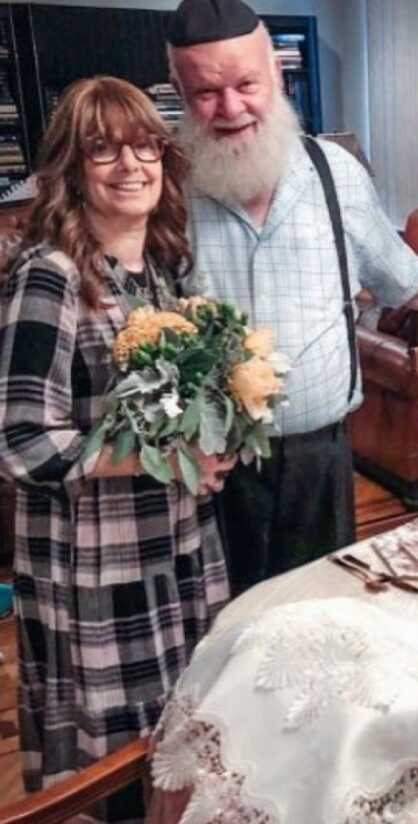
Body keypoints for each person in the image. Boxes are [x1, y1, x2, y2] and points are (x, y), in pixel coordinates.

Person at [165, 0, 418, 594]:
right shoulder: (163, 190)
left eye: (246, 84)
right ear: (178, 88)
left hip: (320, 461)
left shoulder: (336, 174)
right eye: (206, 93)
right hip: (209, 471)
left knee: (320, 618)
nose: (230, 109)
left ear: (276, 72)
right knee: (223, 640)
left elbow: (403, 274)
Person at [0, 77, 234, 822]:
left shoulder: (161, 273)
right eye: (101, 149)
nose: (129, 164)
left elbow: (171, 413)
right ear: (70, 168)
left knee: (183, 735)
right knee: (116, 772)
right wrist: (151, 460)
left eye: (144, 145)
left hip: (177, 543)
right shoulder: (51, 275)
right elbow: (21, 441)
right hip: (95, 561)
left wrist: (214, 442)